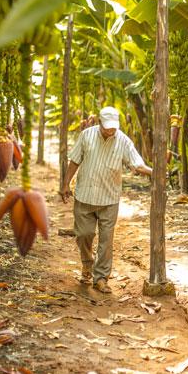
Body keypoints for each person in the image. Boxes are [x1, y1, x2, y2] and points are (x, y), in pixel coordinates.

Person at [60, 106, 152, 293]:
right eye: (107, 127)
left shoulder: (123, 141)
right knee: (84, 234)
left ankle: (101, 278)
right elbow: (75, 160)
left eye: (113, 127)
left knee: (106, 240)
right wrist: (65, 184)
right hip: (85, 195)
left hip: (109, 198)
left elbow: (137, 163)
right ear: (99, 122)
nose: (110, 130)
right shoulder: (86, 136)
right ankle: (87, 264)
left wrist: (154, 171)